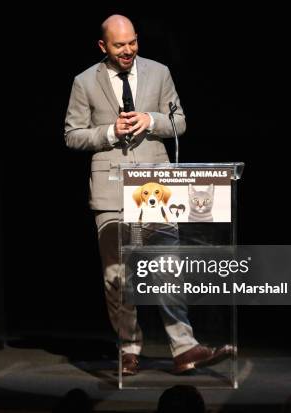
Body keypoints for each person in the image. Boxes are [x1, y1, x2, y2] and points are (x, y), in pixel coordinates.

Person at [64, 15, 233, 376]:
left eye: (132, 43)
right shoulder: (84, 82)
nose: (128, 51)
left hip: (153, 186)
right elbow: (72, 135)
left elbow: (180, 121)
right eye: (119, 46)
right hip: (109, 190)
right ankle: (129, 347)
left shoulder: (159, 72)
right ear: (103, 46)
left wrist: (151, 121)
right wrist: (109, 131)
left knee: (166, 269)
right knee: (118, 276)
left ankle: (185, 347)